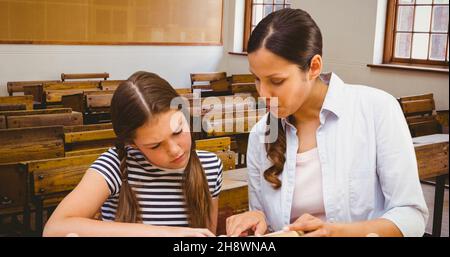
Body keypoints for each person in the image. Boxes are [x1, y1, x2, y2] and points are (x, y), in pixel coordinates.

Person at [226, 8, 428, 237]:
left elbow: (411, 217)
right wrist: (258, 219)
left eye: (277, 81)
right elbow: (268, 226)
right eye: (256, 79)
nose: (263, 94)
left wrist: (337, 232)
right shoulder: (261, 135)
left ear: (313, 67)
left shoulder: (377, 110)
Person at [44, 71, 223, 237]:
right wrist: (163, 233)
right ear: (132, 144)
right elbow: (54, 228)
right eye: (155, 145)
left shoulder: (210, 165)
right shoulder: (114, 165)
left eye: (178, 131)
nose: (175, 150)